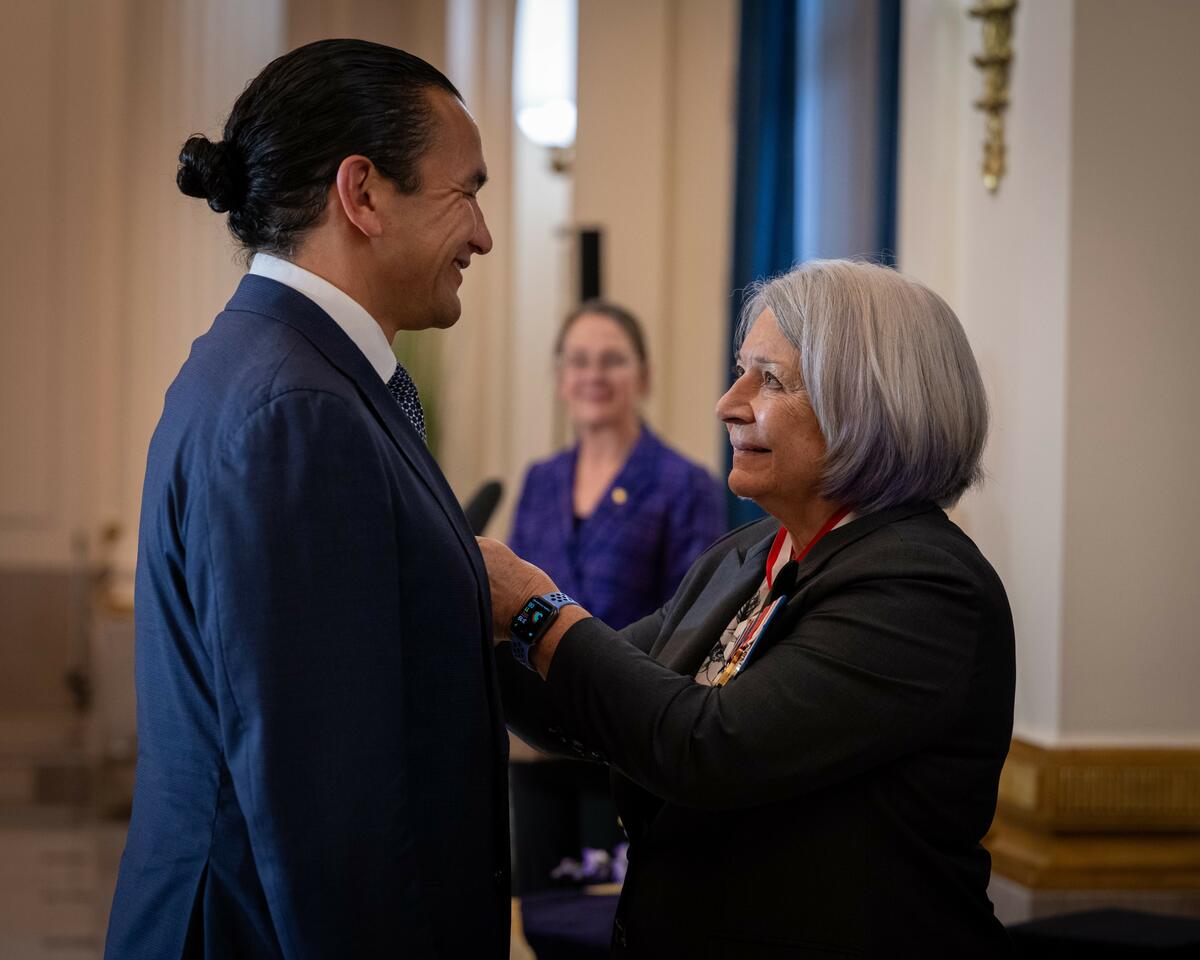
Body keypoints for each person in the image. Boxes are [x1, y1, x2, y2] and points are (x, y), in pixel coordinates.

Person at [481, 260, 1016, 957]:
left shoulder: (923, 585)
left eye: (769, 379)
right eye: (742, 371)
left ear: (867, 400)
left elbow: (708, 746)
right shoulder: (749, 554)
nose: (728, 403)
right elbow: (600, 696)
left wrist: (532, 610)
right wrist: (480, 628)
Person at [105, 40, 509, 959]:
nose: (482, 235)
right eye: (466, 193)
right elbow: (328, 809)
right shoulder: (298, 410)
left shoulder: (271, 364)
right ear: (361, 194)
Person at [506, 301, 724, 892]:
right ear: (560, 378)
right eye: (578, 361)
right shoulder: (540, 480)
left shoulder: (685, 484)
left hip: (627, 752)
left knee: (612, 925)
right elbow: (511, 608)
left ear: (644, 376)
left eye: (612, 361)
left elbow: (691, 626)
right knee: (546, 916)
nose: (594, 375)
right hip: (539, 745)